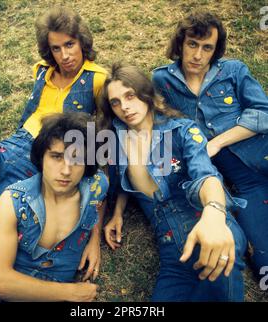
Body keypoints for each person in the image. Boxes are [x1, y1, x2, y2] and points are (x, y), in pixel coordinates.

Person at [0, 6, 107, 271]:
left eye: (70, 44)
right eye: (56, 48)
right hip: (6, 148)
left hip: (34, 164)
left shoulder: (97, 79)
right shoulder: (41, 70)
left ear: (82, 43)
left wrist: (94, 234)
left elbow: (103, 143)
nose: (64, 55)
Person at [100, 63, 247, 301]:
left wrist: (215, 213)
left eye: (130, 95)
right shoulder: (115, 138)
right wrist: (117, 212)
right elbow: (124, 180)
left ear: (145, 93)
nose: (124, 107)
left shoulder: (182, 131)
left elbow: (205, 175)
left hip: (212, 231)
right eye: (115, 102)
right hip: (172, 254)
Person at [152, 12, 268, 278]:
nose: (198, 55)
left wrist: (216, 142)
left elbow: (263, 112)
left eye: (207, 48)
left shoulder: (233, 70)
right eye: (192, 44)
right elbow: (162, 131)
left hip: (260, 150)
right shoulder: (161, 81)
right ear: (180, 43)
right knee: (263, 261)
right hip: (244, 183)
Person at [0, 112, 109, 302]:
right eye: (57, 157)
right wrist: (70, 293)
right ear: (41, 158)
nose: (66, 170)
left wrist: (94, 238)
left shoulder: (96, 185)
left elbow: (101, 199)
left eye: (77, 159)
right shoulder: (14, 201)